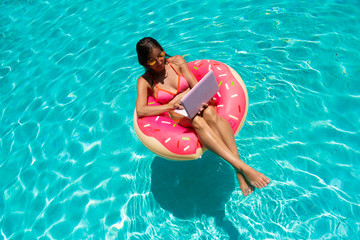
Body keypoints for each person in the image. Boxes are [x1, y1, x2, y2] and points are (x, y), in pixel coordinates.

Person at [135, 37, 270, 196]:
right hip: (178, 112)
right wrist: (170, 106)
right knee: (198, 121)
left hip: (195, 100)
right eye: (152, 61)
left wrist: (203, 99)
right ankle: (242, 167)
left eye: (160, 55)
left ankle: (239, 171)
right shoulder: (144, 81)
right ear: (144, 63)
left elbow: (194, 84)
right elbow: (141, 110)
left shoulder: (176, 62)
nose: (159, 62)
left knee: (210, 113)